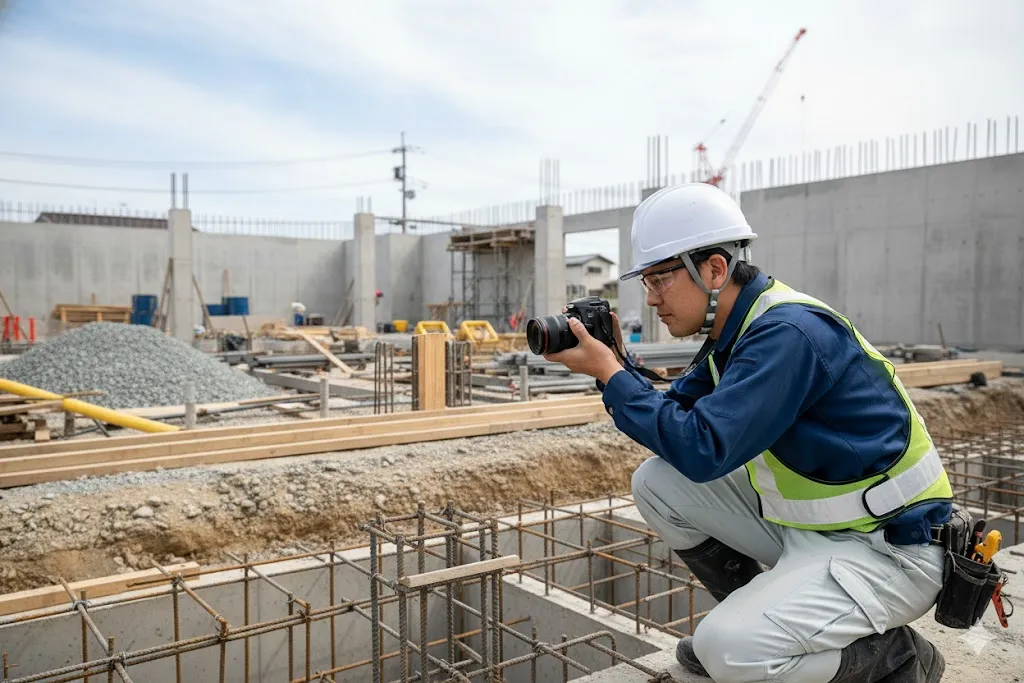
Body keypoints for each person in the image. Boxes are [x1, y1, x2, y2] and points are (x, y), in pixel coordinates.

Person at [543, 182, 954, 683]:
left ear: (715, 269)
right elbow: (674, 420)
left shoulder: (787, 333)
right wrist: (619, 366)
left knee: (730, 652)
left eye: (659, 280)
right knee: (656, 482)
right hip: (814, 531)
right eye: (646, 282)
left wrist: (611, 376)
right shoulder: (736, 333)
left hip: (889, 547)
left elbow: (703, 448)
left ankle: (898, 659)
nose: (650, 298)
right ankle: (765, 618)